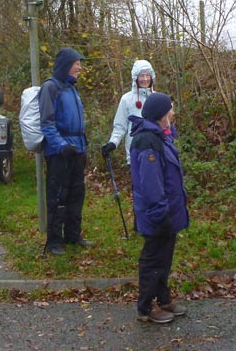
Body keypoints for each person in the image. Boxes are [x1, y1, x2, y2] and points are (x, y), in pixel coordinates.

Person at [129, 93, 189, 324]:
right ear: (161, 114)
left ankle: (163, 298)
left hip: (168, 212)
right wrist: (160, 213)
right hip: (158, 213)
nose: (173, 113)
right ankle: (145, 308)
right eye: (171, 109)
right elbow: (151, 184)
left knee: (164, 257)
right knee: (153, 259)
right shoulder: (147, 141)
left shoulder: (161, 137)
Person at [39, 47, 92, 256]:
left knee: (76, 194)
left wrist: (80, 146)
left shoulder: (72, 89)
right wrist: (61, 146)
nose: (79, 67)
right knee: (58, 196)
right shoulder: (51, 88)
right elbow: (47, 123)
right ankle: (54, 241)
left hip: (77, 149)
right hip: (59, 152)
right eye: (76, 63)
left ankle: (73, 235)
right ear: (66, 65)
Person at [101, 60, 156, 163]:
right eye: (141, 76)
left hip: (156, 153)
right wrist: (113, 143)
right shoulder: (127, 99)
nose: (145, 79)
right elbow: (120, 126)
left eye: (147, 75)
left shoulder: (157, 98)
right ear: (135, 78)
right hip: (135, 153)